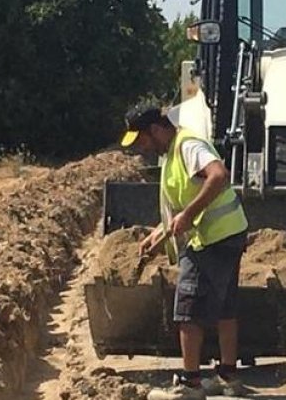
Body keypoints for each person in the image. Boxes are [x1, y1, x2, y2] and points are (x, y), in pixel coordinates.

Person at [121, 103, 250, 400]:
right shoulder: (172, 152)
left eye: (141, 139)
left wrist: (190, 215)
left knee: (187, 308)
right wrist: (159, 231)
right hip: (227, 233)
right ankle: (228, 376)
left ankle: (191, 384)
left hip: (212, 239)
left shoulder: (188, 145)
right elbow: (182, 202)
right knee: (225, 306)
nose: (141, 148)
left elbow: (218, 175)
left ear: (155, 130)